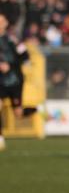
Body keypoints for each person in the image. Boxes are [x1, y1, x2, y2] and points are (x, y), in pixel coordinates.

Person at [0, 14, 30, 151]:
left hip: (15, 81)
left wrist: (10, 66)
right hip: (1, 81)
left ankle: (37, 109)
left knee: (18, 113)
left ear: (6, 23)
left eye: (1, 20)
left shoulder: (13, 39)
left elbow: (25, 57)